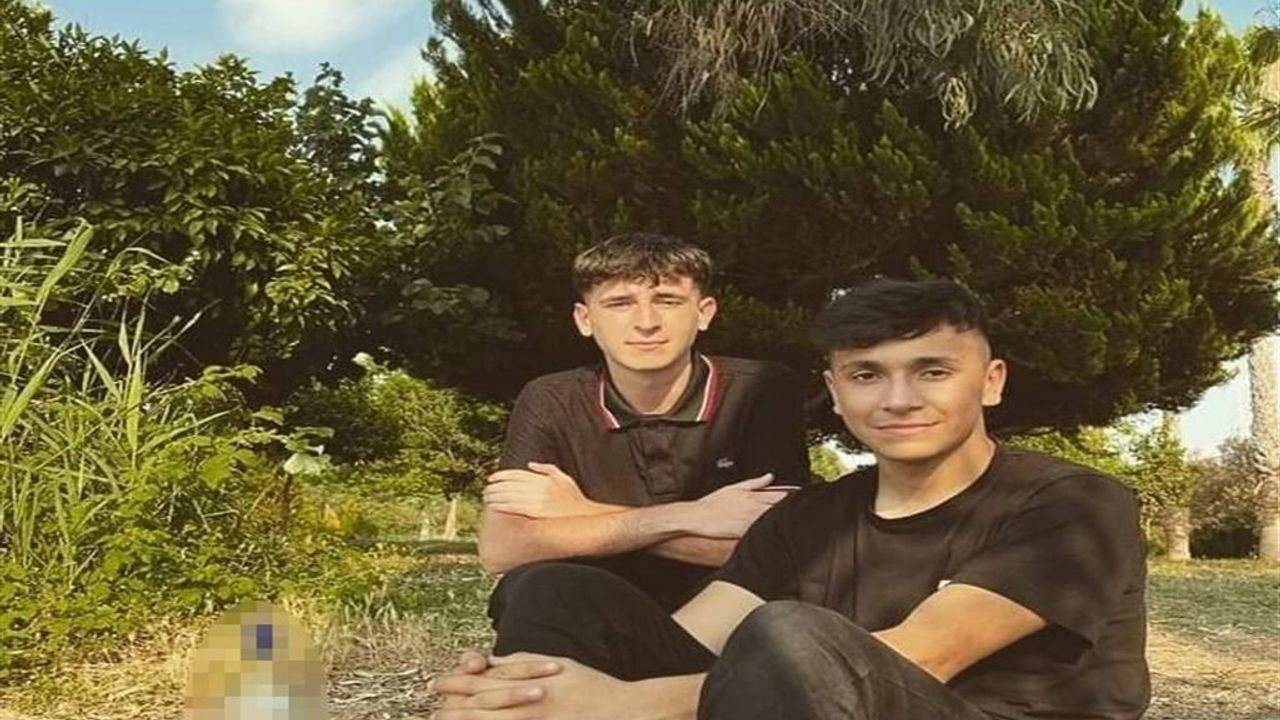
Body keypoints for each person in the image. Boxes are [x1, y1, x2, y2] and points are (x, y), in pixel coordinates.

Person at [434, 278, 1150, 720]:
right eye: (866, 375)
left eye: (932, 371)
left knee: (791, 636)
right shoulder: (809, 518)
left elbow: (922, 656)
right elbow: (687, 646)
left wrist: (615, 704)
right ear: (835, 393)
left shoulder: (1074, 503)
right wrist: (518, 690)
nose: (898, 399)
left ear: (990, 382)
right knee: (557, 591)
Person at [478, 232, 811, 613]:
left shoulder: (761, 389)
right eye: (619, 304)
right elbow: (502, 548)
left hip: (726, 607)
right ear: (585, 320)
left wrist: (579, 512)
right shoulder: (550, 398)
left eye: (667, 301)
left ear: (704, 313)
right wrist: (690, 516)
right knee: (534, 588)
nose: (646, 323)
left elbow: (782, 555)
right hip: (600, 603)